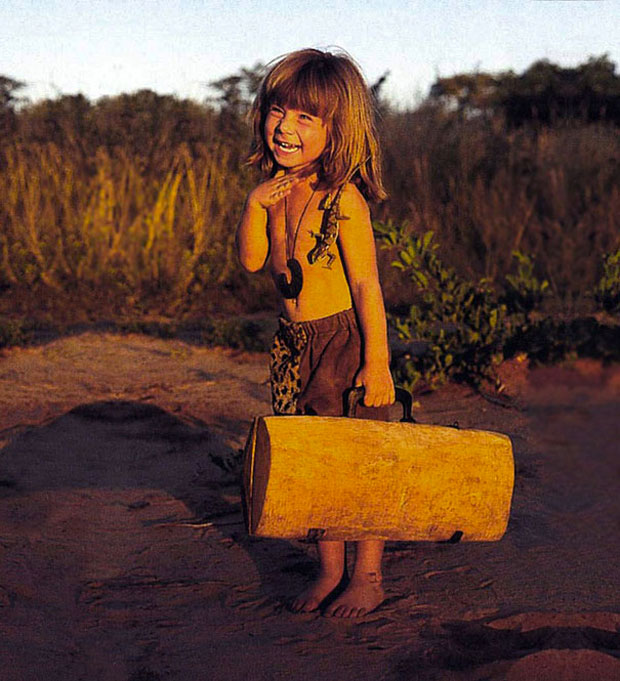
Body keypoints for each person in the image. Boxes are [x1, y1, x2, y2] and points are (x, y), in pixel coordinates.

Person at [236, 48, 395, 619]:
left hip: (343, 343)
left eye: (306, 117)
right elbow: (254, 262)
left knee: (360, 459)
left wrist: (378, 365)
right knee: (316, 460)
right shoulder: (275, 190)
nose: (286, 127)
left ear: (337, 129)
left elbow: (368, 288)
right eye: (279, 110)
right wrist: (254, 207)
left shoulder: (344, 201)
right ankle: (329, 570)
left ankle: (368, 575)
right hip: (295, 344)